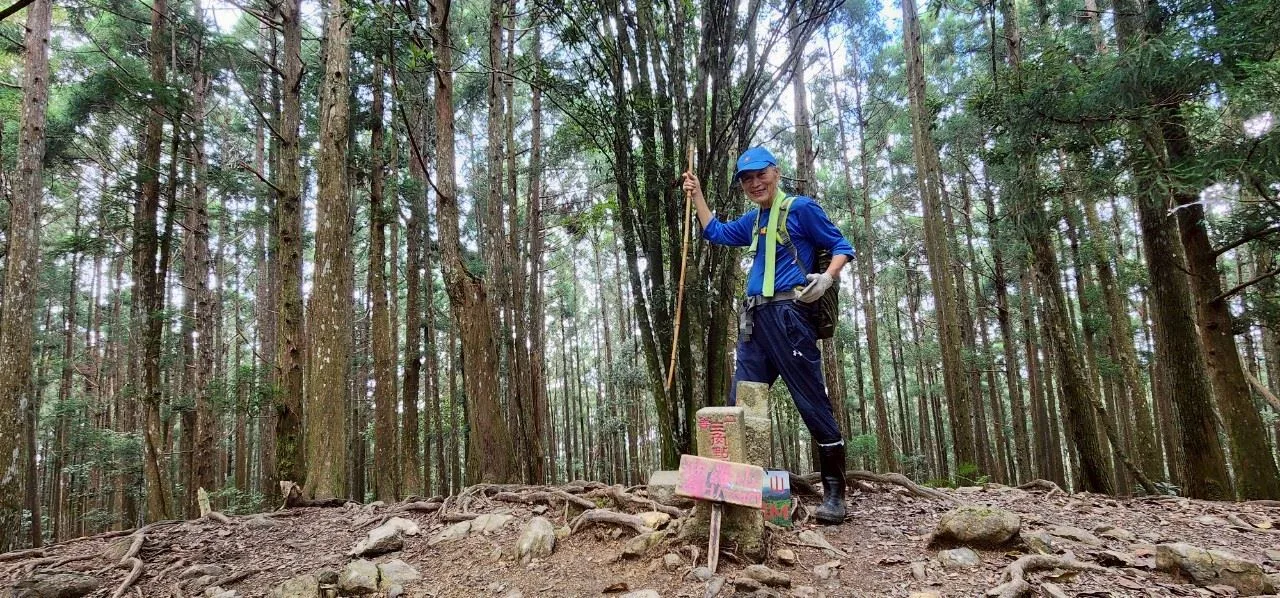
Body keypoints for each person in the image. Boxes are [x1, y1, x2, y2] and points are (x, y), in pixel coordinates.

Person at [682, 146, 854, 525]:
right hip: (754, 320)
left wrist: (827, 278)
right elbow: (716, 232)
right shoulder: (753, 219)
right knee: (741, 401)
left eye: (760, 174)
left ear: (776, 172)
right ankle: (733, 491)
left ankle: (835, 492)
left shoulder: (801, 209)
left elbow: (842, 246)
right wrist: (697, 196)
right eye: (747, 179)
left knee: (810, 399)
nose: (755, 183)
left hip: (790, 316)